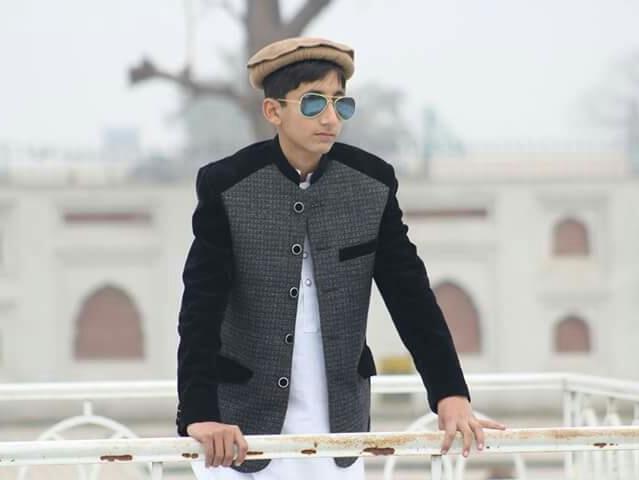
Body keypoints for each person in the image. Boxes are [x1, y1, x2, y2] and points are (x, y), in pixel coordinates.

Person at [176, 36, 506, 479]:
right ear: (273, 111)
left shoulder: (372, 185)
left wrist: (450, 394)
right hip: (237, 430)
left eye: (340, 104)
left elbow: (411, 297)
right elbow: (200, 308)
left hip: (339, 430)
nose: (330, 118)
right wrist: (199, 414)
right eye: (314, 103)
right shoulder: (227, 185)